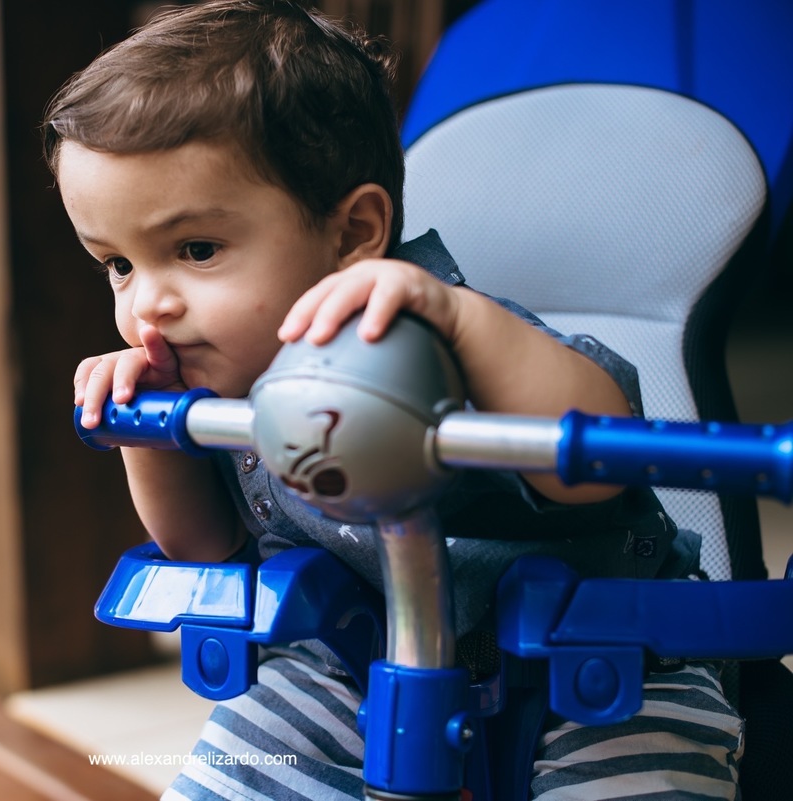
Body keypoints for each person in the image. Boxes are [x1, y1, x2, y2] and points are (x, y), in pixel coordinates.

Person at [44, 2, 744, 798]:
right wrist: (152, 429)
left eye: (196, 249)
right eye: (119, 265)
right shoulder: (231, 379)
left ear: (352, 234)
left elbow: (599, 459)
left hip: (597, 662)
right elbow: (202, 547)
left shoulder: (445, 337)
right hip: (350, 667)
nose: (147, 306)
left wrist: (461, 323)